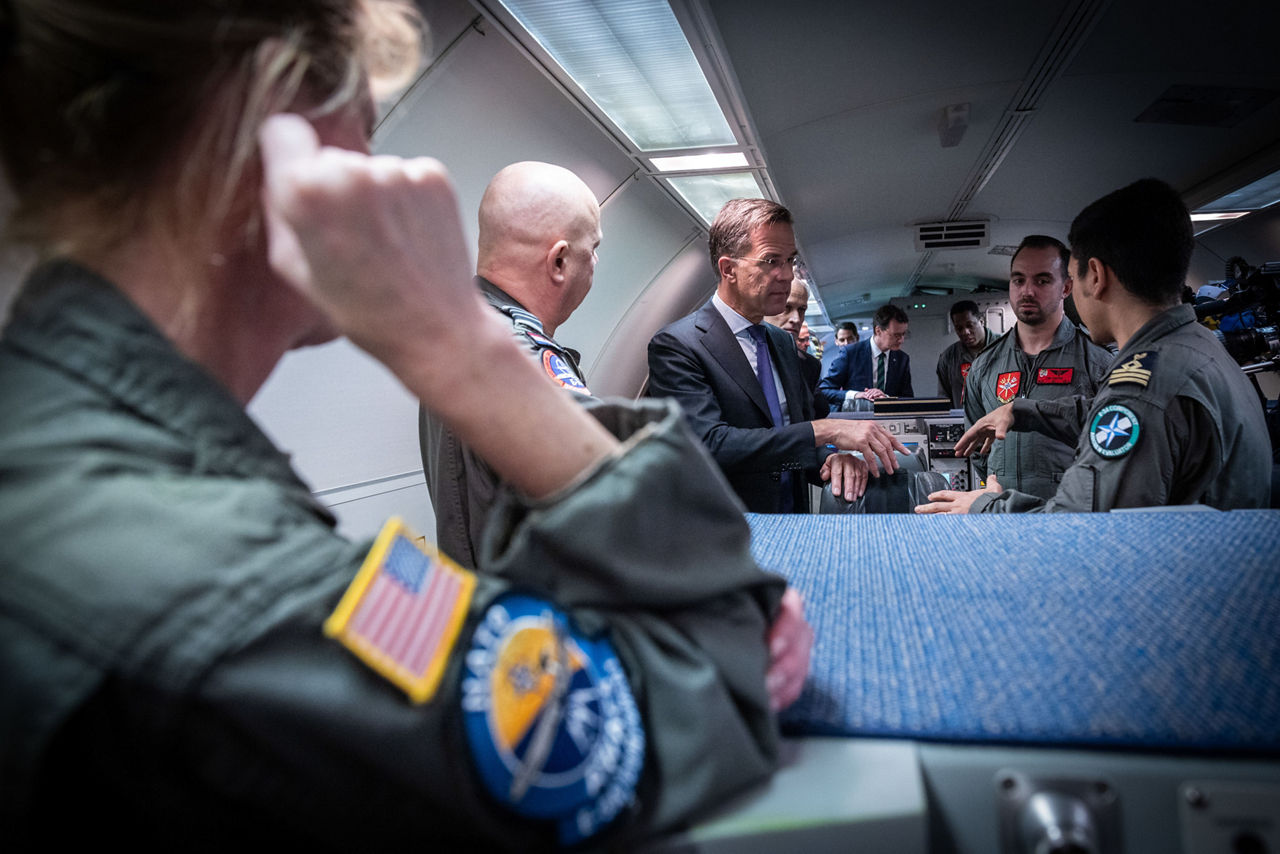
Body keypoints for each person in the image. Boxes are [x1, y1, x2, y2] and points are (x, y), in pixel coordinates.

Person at [0, 2, 811, 848]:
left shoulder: (92, 454)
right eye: (361, 130)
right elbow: (711, 679)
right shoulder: (216, 577)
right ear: (274, 149)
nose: (377, 169)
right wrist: (455, 342)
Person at [916, 178, 1271, 514]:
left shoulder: (1141, 388)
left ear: (1095, 277)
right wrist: (1022, 411)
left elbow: (1079, 525)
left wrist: (982, 506)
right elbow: (1103, 413)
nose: (1028, 290)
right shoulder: (1199, 347)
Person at [647, 198, 905, 513]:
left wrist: (830, 458)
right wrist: (825, 430)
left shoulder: (781, 343)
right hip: (723, 534)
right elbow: (708, 445)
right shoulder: (678, 345)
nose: (787, 275)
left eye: (790, 261)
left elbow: (789, 442)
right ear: (728, 269)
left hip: (792, 524)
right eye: (771, 261)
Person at [419, 161, 599, 571]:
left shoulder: (460, 328)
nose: (595, 264)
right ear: (559, 262)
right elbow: (608, 492)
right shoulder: (520, 357)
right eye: (594, 249)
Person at [960, 235, 1113, 499]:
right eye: (1019, 280)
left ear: (1066, 288)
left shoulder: (1096, 363)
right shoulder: (984, 365)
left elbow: (1110, 446)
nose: (1027, 291)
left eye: (1042, 281)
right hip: (1002, 510)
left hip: (1069, 513)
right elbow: (976, 443)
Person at [817, 303, 914, 411]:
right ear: (878, 330)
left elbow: (907, 398)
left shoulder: (902, 359)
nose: (901, 340)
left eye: (903, 334)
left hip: (888, 422)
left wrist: (886, 398)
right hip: (857, 420)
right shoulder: (851, 353)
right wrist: (857, 395)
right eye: (896, 335)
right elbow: (825, 390)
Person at [763, 277, 822, 391]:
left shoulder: (810, 366)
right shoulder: (738, 354)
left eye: (801, 309)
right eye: (786, 307)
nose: (796, 319)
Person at [936, 299, 996, 408]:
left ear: (981, 321)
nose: (965, 332)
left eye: (970, 325)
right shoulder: (948, 358)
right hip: (966, 423)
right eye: (959, 328)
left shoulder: (1005, 347)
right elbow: (944, 399)